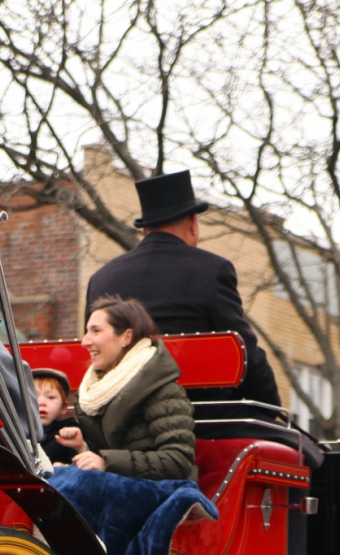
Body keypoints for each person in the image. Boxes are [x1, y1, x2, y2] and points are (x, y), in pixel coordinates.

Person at [84, 171, 281, 411]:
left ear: (146, 229)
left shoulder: (101, 278)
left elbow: (93, 352)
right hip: (202, 415)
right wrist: (271, 408)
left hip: (121, 415)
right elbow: (243, 351)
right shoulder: (212, 269)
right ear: (193, 224)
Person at [52, 296, 196, 481]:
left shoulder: (163, 391)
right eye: (87, 332)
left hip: (161, 491)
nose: (85, 342)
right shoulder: (95, 393)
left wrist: (106, 462)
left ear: (126, 337)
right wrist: (82, 448)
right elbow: (105, 456)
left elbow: (177, 461)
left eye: (96, 331)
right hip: (119, 484)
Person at [33, 368, 81, 466]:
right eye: (33, 396)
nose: (41, 403)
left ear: (63, 407)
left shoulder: (69, 433)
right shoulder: (14, 433)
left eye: (50, 397)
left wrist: (80, 448)